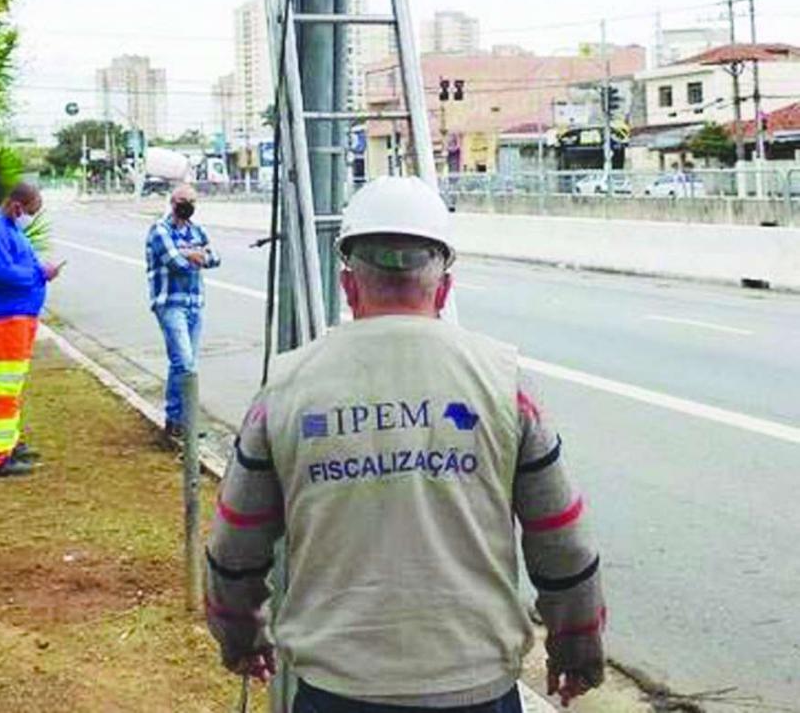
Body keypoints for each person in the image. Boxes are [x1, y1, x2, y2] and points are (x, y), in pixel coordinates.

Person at [205, 176, 606, 712]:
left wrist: (241, 637)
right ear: (443, 287)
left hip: (338, 692)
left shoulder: (285, 390)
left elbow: (235, 548)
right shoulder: (504, 384)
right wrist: (575, 648)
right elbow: (563, 544)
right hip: (475, 689)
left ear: (349, 286)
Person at [0, 182, 64, 477]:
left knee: (13, 386)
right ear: (16, 206)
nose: (30, 217)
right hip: (7, 318)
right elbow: (2, 273)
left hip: (20, 316)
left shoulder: (11, 227)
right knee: (5, 388)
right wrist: (40, 273)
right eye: (30, 212)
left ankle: (9, 442)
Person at [145, 182, 220, 440]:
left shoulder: (197, 229)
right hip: (170, 303)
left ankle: (175, 420)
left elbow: (216, 257)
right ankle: (185, 421)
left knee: (182, 363)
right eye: (182, 200)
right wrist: (195, 255)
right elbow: (175, 262)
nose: (187, 205)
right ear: (173, 202)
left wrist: (193, 254)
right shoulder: (159, 229)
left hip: (194, 303)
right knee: (185, 364)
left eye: (192, 201)